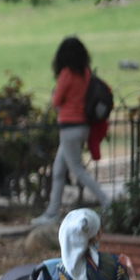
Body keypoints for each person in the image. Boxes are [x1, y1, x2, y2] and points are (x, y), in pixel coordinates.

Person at [33, 37, 109, 225]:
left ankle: (107, 201)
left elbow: (56, 101)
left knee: (76, 169)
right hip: (83, 126)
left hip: (69, 127)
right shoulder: (86, 73)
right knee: (58, 170)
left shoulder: (67, 74)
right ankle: (52, 212)